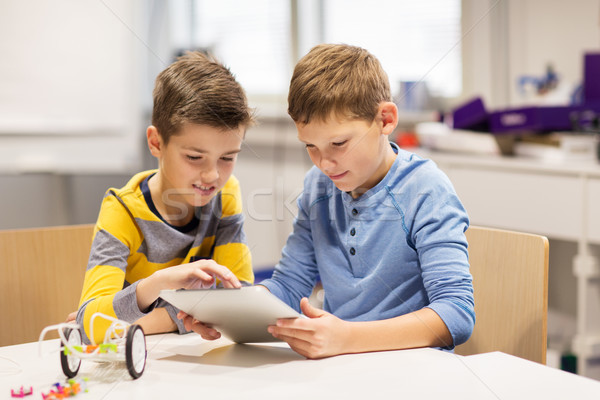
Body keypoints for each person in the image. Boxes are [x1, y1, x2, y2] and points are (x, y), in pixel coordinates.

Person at [182, 44, 475, 358]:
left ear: (385, 120)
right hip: (340, 368)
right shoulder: (318, 185)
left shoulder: (426, 190)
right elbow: (291, 283)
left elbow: (456, 314)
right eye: (311, 146)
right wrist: (232, 310)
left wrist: (347, 337)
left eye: (339, 143)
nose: (325, 163)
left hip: (414, 371)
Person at [74, 51, 255, 344]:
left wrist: (145, 322)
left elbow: (238, 299)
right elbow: (89, 326)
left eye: (227, 157)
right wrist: (159, 285)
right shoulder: (122, 211)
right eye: (195, 157)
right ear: (156, 142)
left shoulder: (226, 193)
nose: (212, 176)